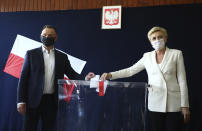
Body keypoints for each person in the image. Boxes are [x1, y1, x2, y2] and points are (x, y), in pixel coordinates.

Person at [100, 26, 190, 131]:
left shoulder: (176, 54)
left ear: (165, 38)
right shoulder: (147, 56)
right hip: (155, 101)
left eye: (160, 37)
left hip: (173, 102)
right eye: (154, 38)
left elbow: (182, 81)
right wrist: (111, 75)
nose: (157, 40)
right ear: (150, 41)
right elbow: (130, 70)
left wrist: (185, 105)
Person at [17, 25, 95, 131]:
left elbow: (72, 74)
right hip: (32, 101)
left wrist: (85, 78)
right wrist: (21, 101)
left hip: (51, 102)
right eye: (44, 35)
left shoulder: (62, 57)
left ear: (56, 38)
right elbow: (23, 79)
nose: (47, 37)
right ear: (40, 36)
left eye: (50, 35)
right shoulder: (31, 54)